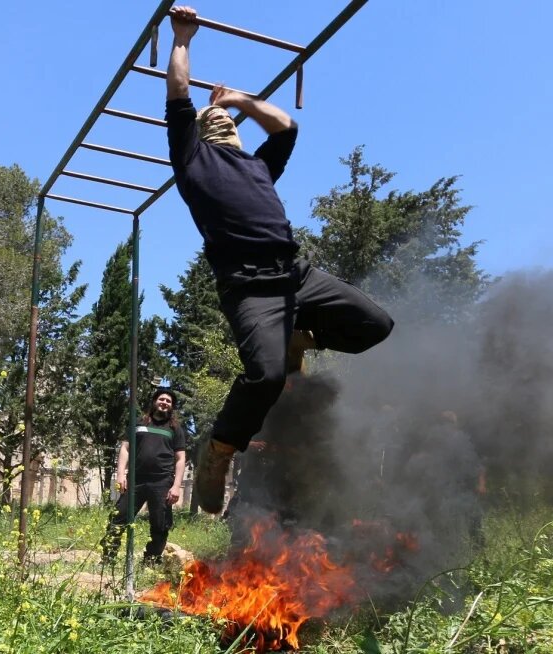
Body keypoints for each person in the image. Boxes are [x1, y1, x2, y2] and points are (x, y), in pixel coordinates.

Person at [165, 6, 394, 514]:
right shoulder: (192, 161)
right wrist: (181, 38)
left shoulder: (259, 166)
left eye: (224, 117)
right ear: (201, 132)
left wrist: (236, 98)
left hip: (295, 276)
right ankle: (219, 449)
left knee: (375, 325)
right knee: (266, 378)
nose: (218, 117)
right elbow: (178, 94)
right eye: (211, 117)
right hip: (249, 288)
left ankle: (298, 335)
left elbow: (286, 125)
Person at [101, 387, 187, 566]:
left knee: (160, 525)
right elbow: (125, 448)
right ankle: (108, 559)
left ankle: (150, 562)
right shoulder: (139, 423)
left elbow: (180, 459)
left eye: (168, 401)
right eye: (162, 399)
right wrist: (120, 474)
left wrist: (176, 486)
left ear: (172, 406)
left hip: (162, 482)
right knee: (118, 518)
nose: (164, 403)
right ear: (155, 401)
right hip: (135, 480)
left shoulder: (175, 429)